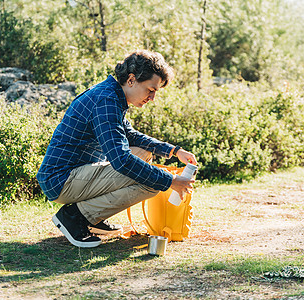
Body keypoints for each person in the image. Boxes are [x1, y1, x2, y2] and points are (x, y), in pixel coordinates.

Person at [37, 50, 197, 248]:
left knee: (143, 153)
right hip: (61, 180)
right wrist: (170, 180)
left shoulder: (111, 95)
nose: (153, 97)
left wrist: (174, 151)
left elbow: (130, 135)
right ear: (131, 80)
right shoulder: (106, 100)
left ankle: (92, 217)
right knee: (154, 182)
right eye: (150, 89)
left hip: (73, 175)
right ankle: (76, 217)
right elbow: (120, 159)